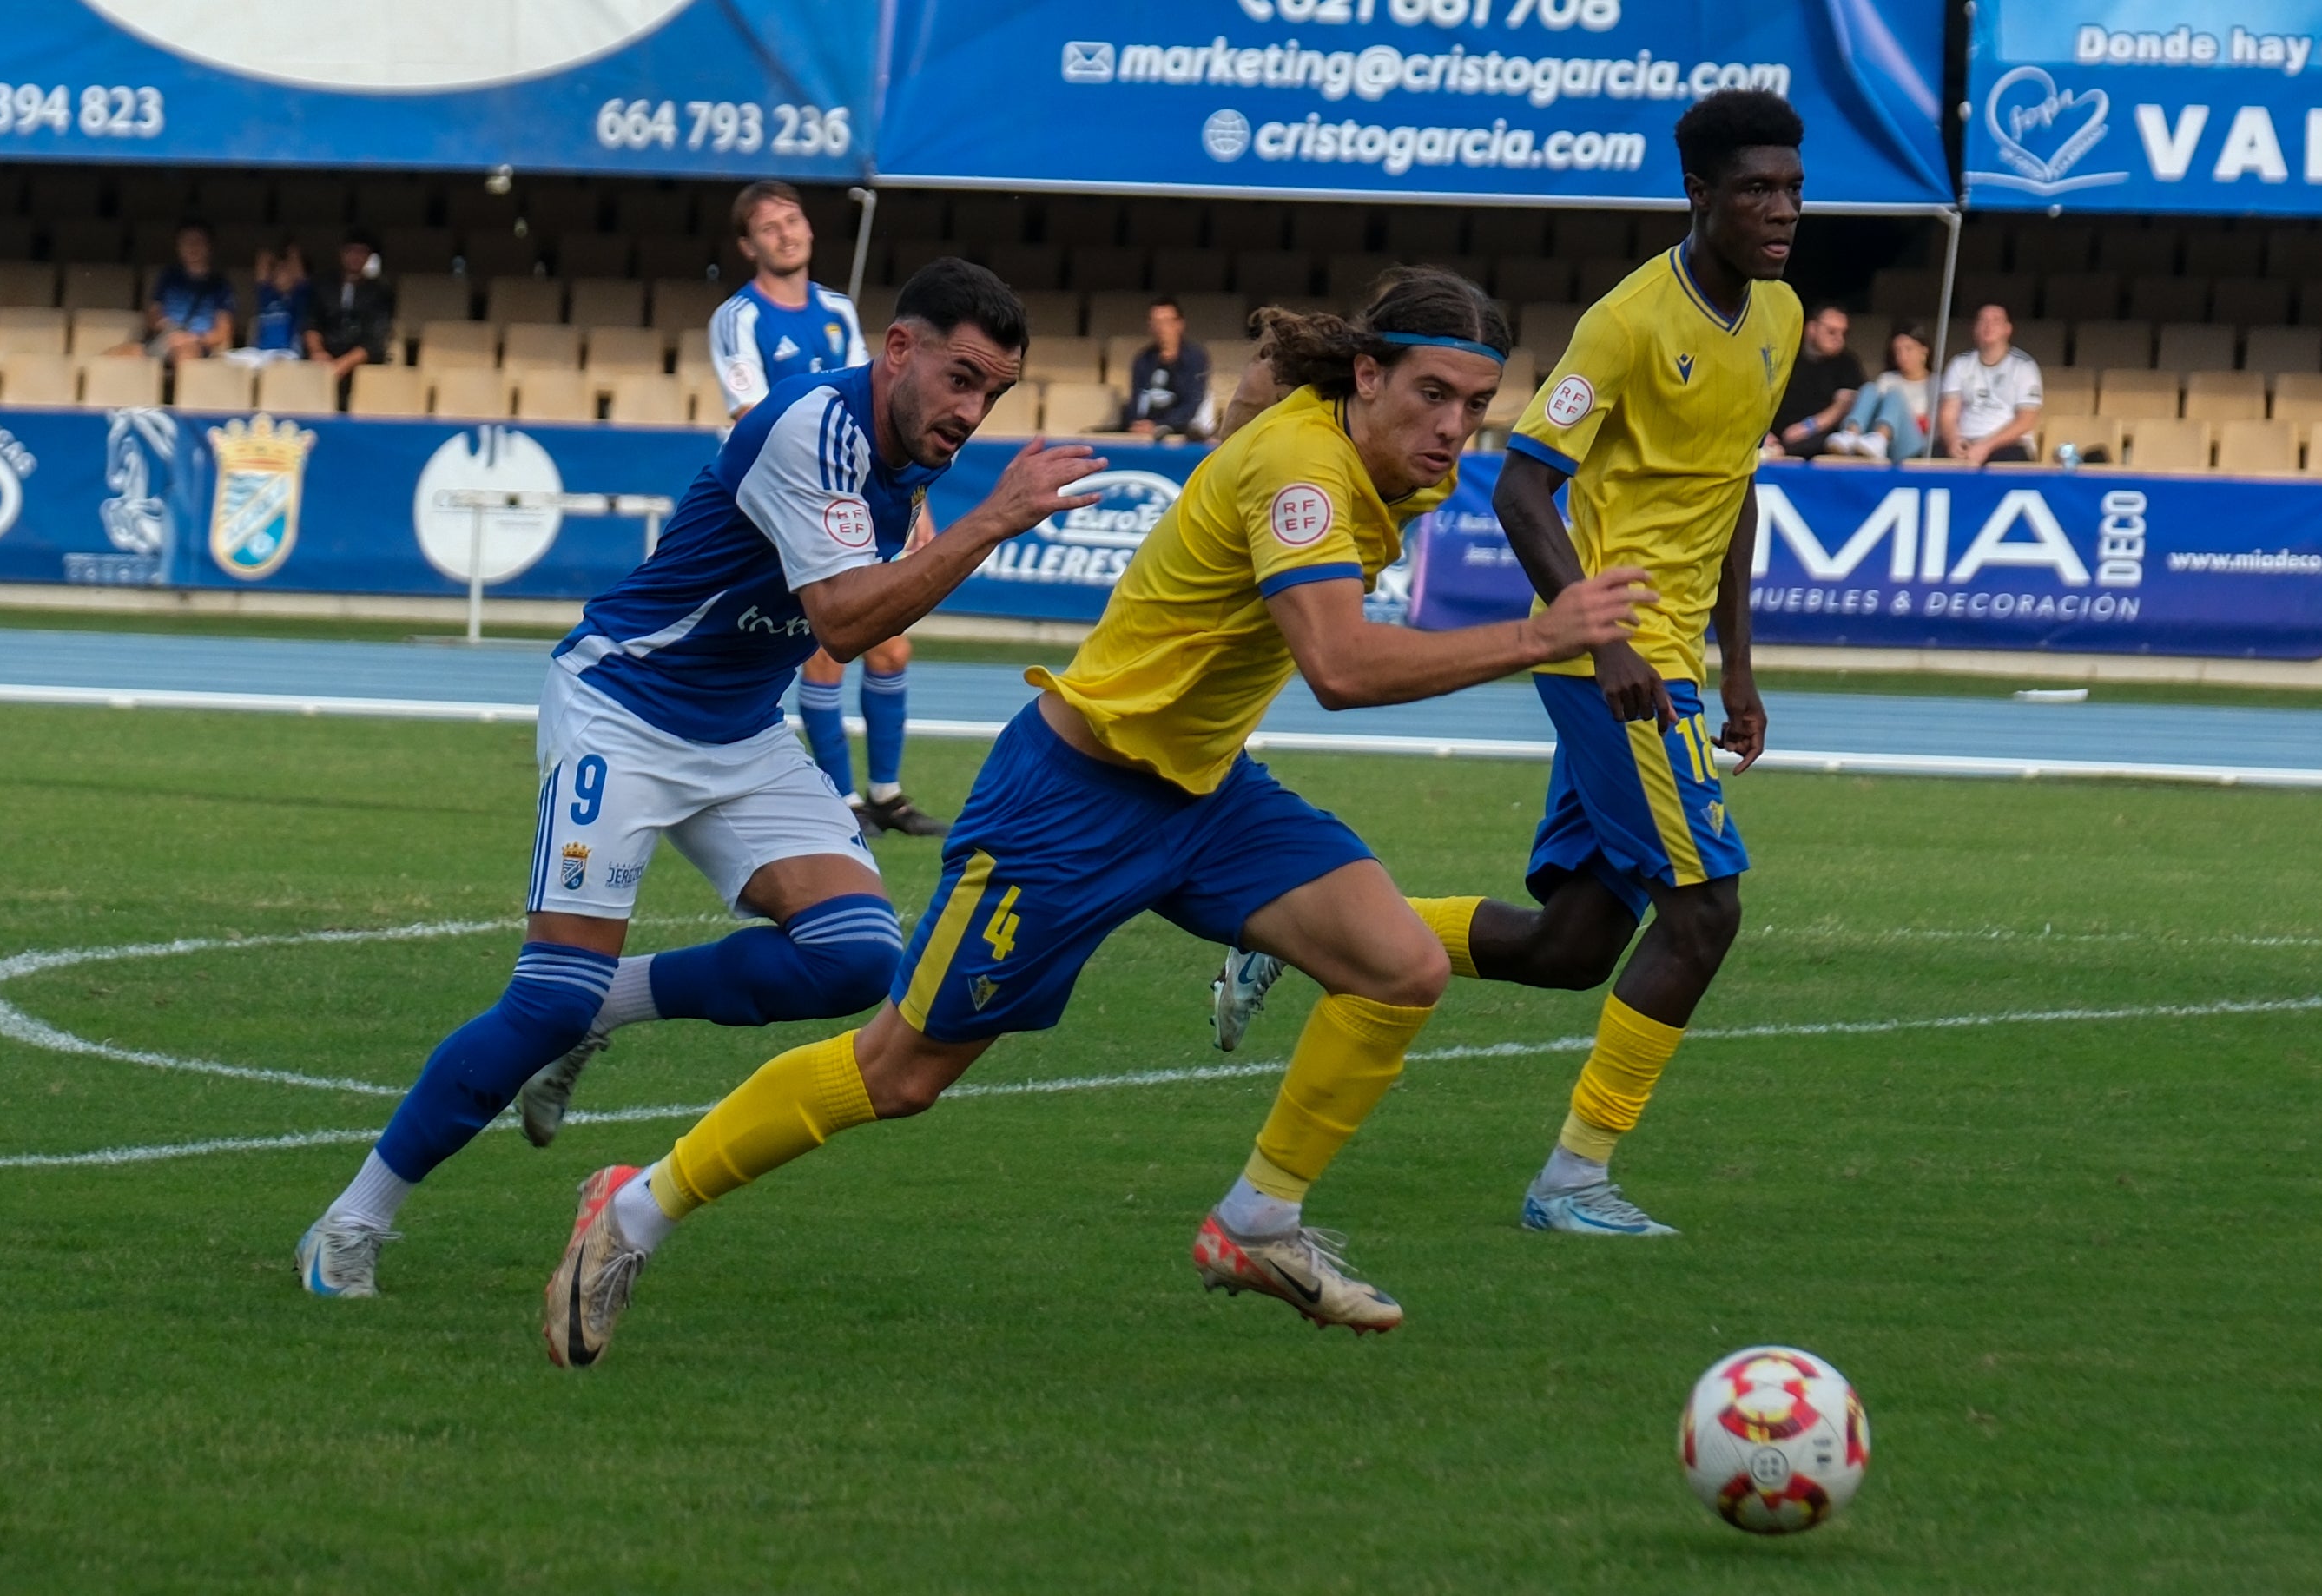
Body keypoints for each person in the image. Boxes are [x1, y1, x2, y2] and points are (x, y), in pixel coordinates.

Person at [535, 267, 1657, 1367]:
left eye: (1474, 405)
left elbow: (1257, 408)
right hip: (1070, 800)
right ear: (1365, 377)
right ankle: (630, 1209)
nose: (1454, 428)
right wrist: (1539, 633)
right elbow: (1340, 666)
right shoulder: (1306, 473)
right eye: (1431, 396)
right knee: (898, 1075)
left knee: (1398, 965)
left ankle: (1256, 1222)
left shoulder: (1360, 445)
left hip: (1202, 790)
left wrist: (1251, 402)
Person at [294, 260, 1105, 1298]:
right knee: (544, 996)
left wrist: (962, 521)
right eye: (959, 377)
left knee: (857, 956)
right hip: (621, 711)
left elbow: (859, 610)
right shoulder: (812, 426)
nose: (971, 409)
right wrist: (993, 520)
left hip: (738, 731)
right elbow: (846, 624)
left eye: (992, 393)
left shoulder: (909, 452)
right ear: (897, 348)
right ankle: (350, 1222)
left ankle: (604, 1009)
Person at [1212, 89, 1803, 1242]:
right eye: (1754, 190)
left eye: (1789, 187)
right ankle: (1570, 1180)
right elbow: (1525, 481)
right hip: (1619, 660)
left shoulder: (1776, 316)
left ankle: (1281, 929)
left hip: (1677, 660)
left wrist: (1741, 668)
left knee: (1573, 946)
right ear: (1697, 195)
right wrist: (1603, 635)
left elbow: (1730, 493)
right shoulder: (1626, 321)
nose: (1780, 210)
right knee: (1702, 916)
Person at [709, 181, 947, 840]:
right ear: (748, 244)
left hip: (857, 493)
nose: (786, 233)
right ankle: (840, 799)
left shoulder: (839, 310)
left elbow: (880, 405)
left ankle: (888, 794)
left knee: (891, 648)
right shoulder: (740, 318)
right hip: (785, 499)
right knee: (823, 650)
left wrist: (914, 495)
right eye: (769, 226)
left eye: (793, 220)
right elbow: (752, 415)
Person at [1938, 304, 2043, 465]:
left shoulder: (2024, 366)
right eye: (1983, 321)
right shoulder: (1959, 364)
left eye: (1996, 321)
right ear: (1974, 329)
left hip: (2008, 445)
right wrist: (1953, 440)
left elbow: (2026, 420)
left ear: (2007, 330)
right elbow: (1948, 414)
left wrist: (1986, 446)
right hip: (1966, 441)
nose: (1988, 326)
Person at [115, 221, 231, 363]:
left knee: (184, 356)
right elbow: (153, 313)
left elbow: (222, 332)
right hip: (165, 337)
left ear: (209, 246)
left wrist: (191, 338)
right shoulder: (168, 277)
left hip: (196, 344)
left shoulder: (220, 285)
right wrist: (163, 324)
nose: (192, 247)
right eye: (186, 242)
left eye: (198, 241)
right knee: (117, 356)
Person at [1823, 320, 1932, 461]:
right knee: (1869, 388)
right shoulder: (1887, 379)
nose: (1902, 356)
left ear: (1924, 350)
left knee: (1895, 394)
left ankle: (1880, 439)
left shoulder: (1936, 383)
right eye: (1897, 351)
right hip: (1883, 445)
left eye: (1908, 349)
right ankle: (1850, 434)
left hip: (1914, 446)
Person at [1765, 303, 1859, 458]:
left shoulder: (1847, 362)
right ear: (1811, 329)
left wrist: (1808, 427)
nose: (1839, 339)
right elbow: (1757, 397)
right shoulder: (1783, 355)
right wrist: (1763, 434)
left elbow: (1843, 405)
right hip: (1773, 435)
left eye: (1844, 333)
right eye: (1831, 332)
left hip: (1818, 437)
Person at [306, 229, 393, 380]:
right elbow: (311, 323)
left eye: (361, 252)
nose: (355, 257)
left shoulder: (380, 290)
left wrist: (343, 364)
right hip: (325, 354)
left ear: (368, 256)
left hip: (362, 360)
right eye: (351, 251)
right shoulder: (322, 285)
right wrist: (317, 352)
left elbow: (375, 336)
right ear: (342, 253)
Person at [1125, 296, 1211, 439]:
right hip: (1144, 429)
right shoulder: (1143, 359)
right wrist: (1137, 423)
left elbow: (1191, 404)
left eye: (1166, 322)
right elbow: (1136, 400)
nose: (1161, 329)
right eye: (1156, 322)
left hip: (1178, 428)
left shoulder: (1196, 358)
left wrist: (1159, 425)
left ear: (1180, 324)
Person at [224, 241, 310, 366]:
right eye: (277, 270)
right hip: (260, 353)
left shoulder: (298, 297)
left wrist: (290, 250)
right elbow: (262, 260)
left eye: (285, 270)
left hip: (286, 353)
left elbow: (299, 269)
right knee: (223, 360)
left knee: (277, 364)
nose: (281, 274)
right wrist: (273, 254)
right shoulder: (267, 296)